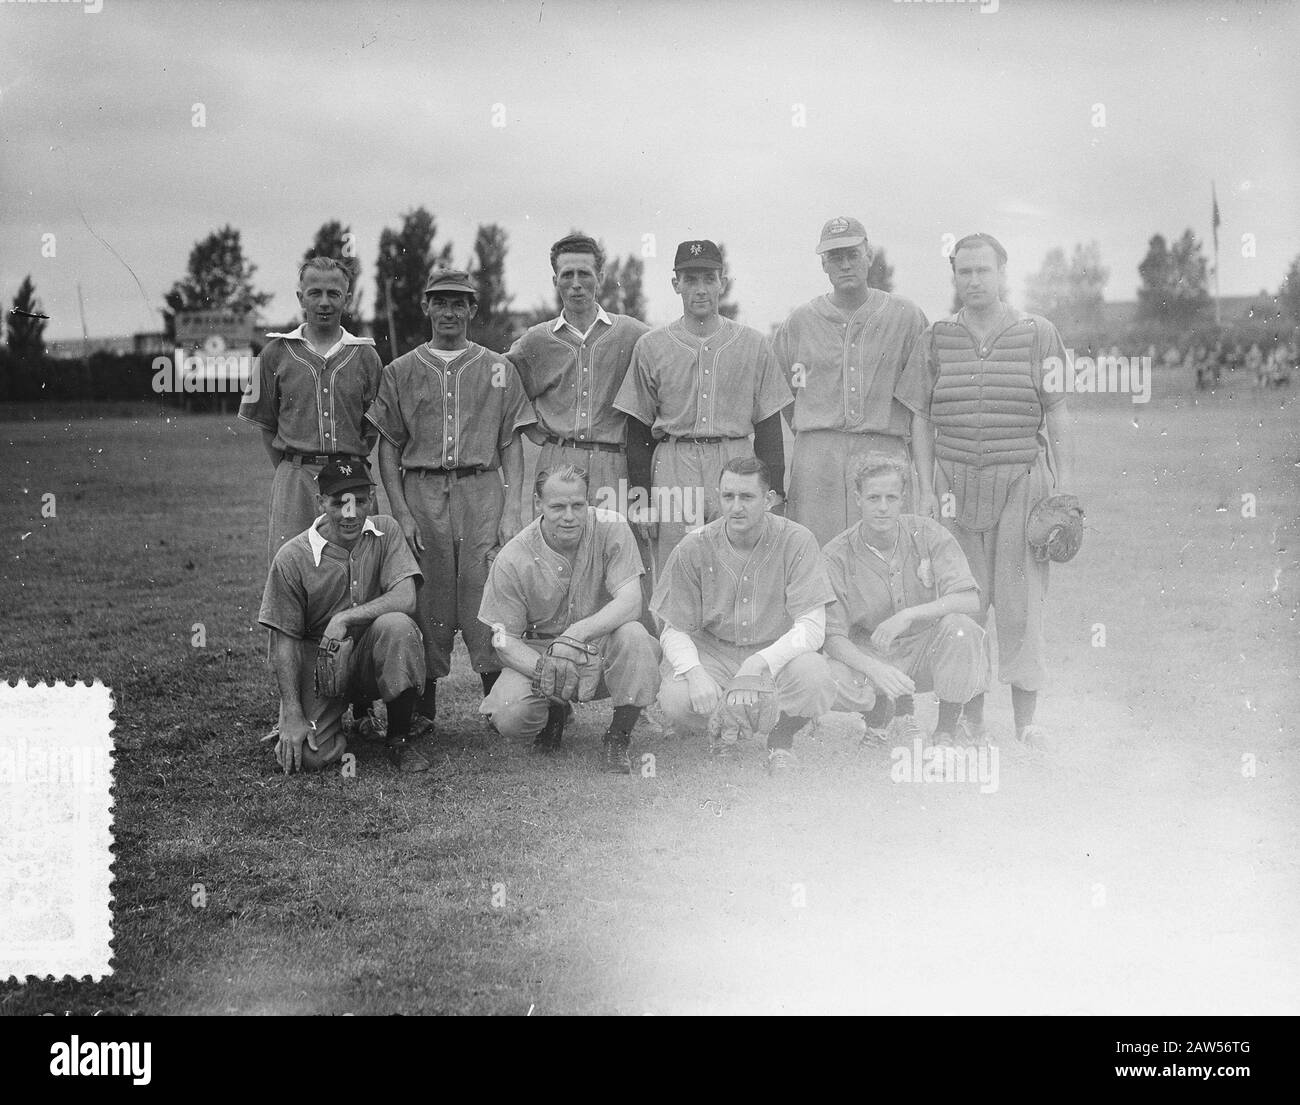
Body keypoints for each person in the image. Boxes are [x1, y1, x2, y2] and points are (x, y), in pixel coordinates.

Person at [897, 233, 1076, 751]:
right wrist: (927, 489)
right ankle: (957, 721)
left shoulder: (1037, 333)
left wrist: (1064, 489)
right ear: (954, 277)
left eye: (983, 270)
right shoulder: (935, 337)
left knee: (1021, 607)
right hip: (953, 483)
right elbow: (921, 419)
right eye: (964, 272)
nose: (973, 281)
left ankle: (1026, 723)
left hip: (1021, 479)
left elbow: (1059, 411)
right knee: (960, 605)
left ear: (1002, 273)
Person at [366, 268, 536, 738]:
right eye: (440, 301)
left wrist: (513, 509)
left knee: (489, 591)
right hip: (422, 489)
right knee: (427, 594)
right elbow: (388, 447)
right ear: (425, 306)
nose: (449, 311)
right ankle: (422, 709)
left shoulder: (498, 366)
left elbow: (510, 443)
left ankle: (499, 702)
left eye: (459, 303)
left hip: (482, 488)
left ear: (472, 310)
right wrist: (400, 511)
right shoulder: (399, 370)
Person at [614, 240, 792, 573]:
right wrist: (642, 500)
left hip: (736, 456)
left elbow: (769, 426)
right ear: (675, 284)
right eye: (690, 279)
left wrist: (775, 491)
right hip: (673, 461)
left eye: (709, 279)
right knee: (675, 568)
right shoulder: (651, 345)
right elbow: (638, 431)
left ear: (722, 282)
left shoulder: (754, 343)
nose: (700, 289)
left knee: (739, 566)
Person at [652, 457, 837, 776]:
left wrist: (757, 663)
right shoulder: (693, 545)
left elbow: (812, 627)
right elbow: (673, 629)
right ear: (718, 496)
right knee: (676, 698)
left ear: (769, 500)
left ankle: (781, 742)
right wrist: (695, 674)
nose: (736, 507)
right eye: (728, 497)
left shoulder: (797, 540)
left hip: (773, 652)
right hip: (714, 651)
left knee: (816, 678)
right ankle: (722, 733)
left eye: (747, 497)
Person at [477, 464, 661, 772]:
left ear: (588, 501)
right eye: (557, 506)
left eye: (578, 505)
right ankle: (553, 713)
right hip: (541, 653)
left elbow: (631, 603)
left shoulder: (612, 527)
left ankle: (618, 736)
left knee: (635, 636)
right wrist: (549, 669)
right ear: (538, 504)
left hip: (596, 646)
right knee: (508, 713)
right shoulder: (513, 555)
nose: (569, 516)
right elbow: (503, 639)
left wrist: (574, 634)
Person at [257, 457, 430, 773]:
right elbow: (285, 643)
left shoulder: (386, 530)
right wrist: (294, 714)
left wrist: (345, 618)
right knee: (309, 757)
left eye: (359, 501)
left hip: (368, 653)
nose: (350, 513)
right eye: (339, 503)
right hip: (319, 663)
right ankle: (328, 722)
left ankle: (398, 739)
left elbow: (406, 598)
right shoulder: (292, 557)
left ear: (372, 499)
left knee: (397, 626)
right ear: (320, 501)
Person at [773, 216, 929, 547]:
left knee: (888, 558)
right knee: (815, 556)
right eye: (835, 257)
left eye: (852, 254)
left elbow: (921, 404)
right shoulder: (799, 322)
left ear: (868, 255)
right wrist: (817, 429)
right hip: (818, 455)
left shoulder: (906, 317)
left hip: (883, 448)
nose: (845, 264)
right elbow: (786, 397)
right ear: (823, 264)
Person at [821, 453, 987, 746]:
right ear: (858, 498)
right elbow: (831, 635)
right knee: (825, 677)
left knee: (962, 628)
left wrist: (908, 614)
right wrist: (874, 669)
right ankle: (878, 719)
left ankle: (945, 729)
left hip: (923, 650)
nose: (882, 507)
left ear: (903, 499)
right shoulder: (836, 554)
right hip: (871, 653)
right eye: (873, 498)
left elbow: (969, 599)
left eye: (891, 497)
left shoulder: (927, 532)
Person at [239, 256, 384, 565]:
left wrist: (345, 460)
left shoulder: (366, 356)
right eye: (314, 293)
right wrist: (293, 467)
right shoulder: (275, 354)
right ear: (300, 297)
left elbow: (370, 431)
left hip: (350, 476)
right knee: (293, 564)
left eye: (333, 294)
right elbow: (267, 426)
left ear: (346, 298)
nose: (324, 302)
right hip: (296, 478)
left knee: (353, 565)